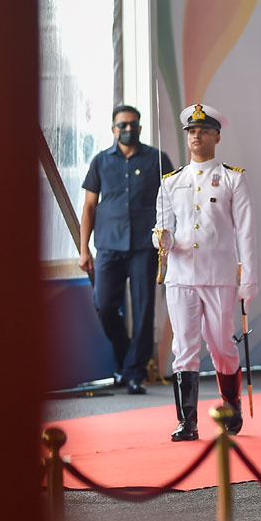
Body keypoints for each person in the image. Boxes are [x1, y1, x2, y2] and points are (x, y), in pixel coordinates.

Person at [154, 103, 256, 440]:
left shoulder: (233, 178)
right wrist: (162, 240)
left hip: (219, 275)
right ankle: (188, 421)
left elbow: (245, 233)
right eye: (191, 131)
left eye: (203, 130)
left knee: (221, 346)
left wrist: (248, 279)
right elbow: (162, 228)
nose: (196, 135)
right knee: (183, 347)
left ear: (217, 136)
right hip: (181, 274)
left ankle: (231, 403)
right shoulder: (171, 181)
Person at [79, 104, 174, 393]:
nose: (128, 130)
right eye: (122, 125)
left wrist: (169, 242)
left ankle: (134, 374)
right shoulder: (100, 161)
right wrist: (84, 249)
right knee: (104, 304)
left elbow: (172, 202)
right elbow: (89, 206)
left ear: (141, 128)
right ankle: (126, 357)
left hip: (145, 246)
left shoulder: (158, 159)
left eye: (133, 125)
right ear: (113, 129)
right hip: (109, 245)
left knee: (145, 310)